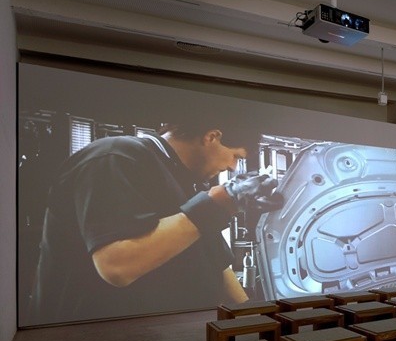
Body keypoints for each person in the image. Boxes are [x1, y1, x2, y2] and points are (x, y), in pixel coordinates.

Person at [31, 120, 282, 323]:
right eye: (235, 156)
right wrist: (219, 202)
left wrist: (253, 316)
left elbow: (217, 264)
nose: (232, 166)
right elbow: (116, 266)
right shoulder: (116, 156)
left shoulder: (185, 182)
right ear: (211, 137)